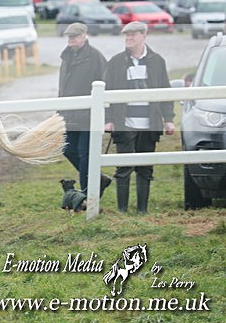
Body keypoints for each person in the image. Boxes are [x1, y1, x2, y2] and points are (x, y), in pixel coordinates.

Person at [103, 21, 175, 214]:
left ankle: (142, 210)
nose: (128, 39)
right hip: (124, 123)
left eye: (133, 35)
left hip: (149, 123)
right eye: (126, 36)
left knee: (145, 168)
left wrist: (168, 118)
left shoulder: (157, 61)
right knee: (124, 167)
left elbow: (165, 91)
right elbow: (107, 92)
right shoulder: (116, 61)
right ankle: (122, 210)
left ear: (144, 36)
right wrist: (108, 119)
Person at [58, 23, 111, 194]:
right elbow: (63, 87)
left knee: (84, 154)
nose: (71, 39)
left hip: (88, 115)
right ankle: (98, 179)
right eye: (69, 36)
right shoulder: (66, 56)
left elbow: (106, 84)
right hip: (69, 114)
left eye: (74, 36)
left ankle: (88, 194)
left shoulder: (95, 57)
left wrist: (106, 115)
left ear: (84, 36)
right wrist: (60, 111)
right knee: (67, 149)